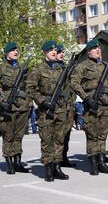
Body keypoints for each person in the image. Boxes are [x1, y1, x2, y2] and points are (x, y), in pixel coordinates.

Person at [70, 39, 108, 175]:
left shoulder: (106, 66)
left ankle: (101, 161)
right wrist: (86, 98)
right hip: (92, 105)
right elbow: (74, 83)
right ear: (89, 51)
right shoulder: (82, 66)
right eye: (95, 49)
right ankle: (93, 163)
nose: (98, 50)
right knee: (92, 134)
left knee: (103, 134)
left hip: (105, 105)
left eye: (99, 48)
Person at [26, 40, 69, 181]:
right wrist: (43, 101)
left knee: (59, 139)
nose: (53, 52)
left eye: (55, 50)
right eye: (50, 50)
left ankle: (57, 166)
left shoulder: (61, 69)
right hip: (45, 110)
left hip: (60, 108)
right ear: (44, 52)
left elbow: (67, 88)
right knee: (46, 140)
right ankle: (48, 168)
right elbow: (30, 89)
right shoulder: (38, 69)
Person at [0, 42, 31, 174]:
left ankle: (18, 162)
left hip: (22, 106)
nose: (16, 52)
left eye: (17, 50)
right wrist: (1, 102)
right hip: (7, 106)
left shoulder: (22, 68)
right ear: (7, 53)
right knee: (8, 135)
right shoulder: (1, 67)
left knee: (19, 135)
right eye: (13, 50)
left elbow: (28, 87)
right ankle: (9, 163)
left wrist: (29, 104)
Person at [56, 44, 76, 168]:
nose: (62, 54)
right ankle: (56, 160)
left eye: (63, 52)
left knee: (67, 134)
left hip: (69, 106)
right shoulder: (54, 69)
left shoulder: (66, 68)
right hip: (59, 107)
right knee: (58, 135)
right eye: (59, 52)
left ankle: (64, 157)